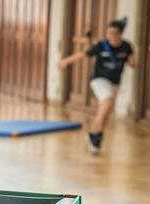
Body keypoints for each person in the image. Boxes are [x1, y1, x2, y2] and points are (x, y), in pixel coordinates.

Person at [58, 18, 135, 155]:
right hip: (99, 80)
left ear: (120, 34)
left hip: (114, 82)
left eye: (114, 34)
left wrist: (133, 59)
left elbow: (132, 63)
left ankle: (94, 134)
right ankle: (96, 138)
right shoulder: (101, 45)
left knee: (105, 111)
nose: (111, 36)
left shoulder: (127, 46)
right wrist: (65, 61)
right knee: (106, 105)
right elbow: (83, 54)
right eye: (108, 33)